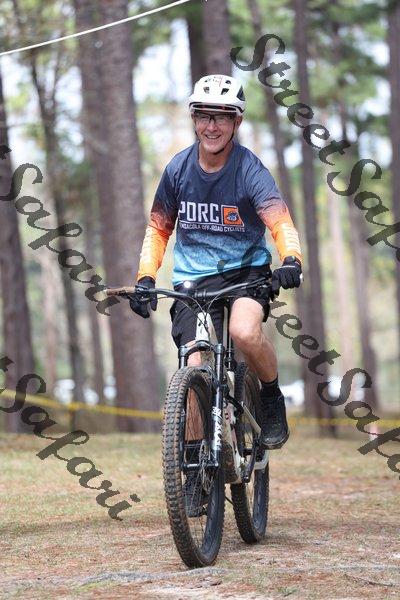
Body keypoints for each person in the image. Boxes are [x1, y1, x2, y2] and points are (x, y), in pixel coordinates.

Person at [130, 74, 302, 453]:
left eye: (222, 116)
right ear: (194, 118)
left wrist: (291, 259)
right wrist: (145, 278)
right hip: (193, 282)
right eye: (204, 115)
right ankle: (194, 462)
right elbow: (158, 229)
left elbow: (279, 221)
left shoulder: (249, 169)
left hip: (245, 276)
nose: (212, 126)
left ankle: (271, 395)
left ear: (236, 121)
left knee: (243, 331)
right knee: (193, 362)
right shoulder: (177, 170)